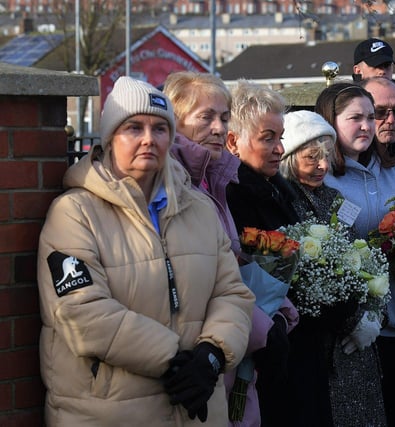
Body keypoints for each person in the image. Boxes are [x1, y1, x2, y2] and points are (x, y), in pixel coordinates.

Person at [37, 76, 254, 426]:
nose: (148, 139)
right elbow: (82, 312)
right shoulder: (74, 213)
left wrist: (213, 354)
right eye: (133, 128)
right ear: (110, 137)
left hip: (196, 409)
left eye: (159, 128)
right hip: (108, 412)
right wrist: (173, 358)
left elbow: (233, 292)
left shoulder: (198, 208)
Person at [163, 71, 296, 427]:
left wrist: (279, 312)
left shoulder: (216, 178)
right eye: (205, 117)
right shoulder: (173, 186)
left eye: (224, 117)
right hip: (200, 358)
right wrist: (264, 328)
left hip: (231, 351)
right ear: (174, 120)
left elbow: (235, 264)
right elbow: (199, 281)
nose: (219, 128)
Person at [317, 82, 395, 427]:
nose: (368, 126)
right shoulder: (321, 180)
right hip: (354, 330)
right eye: (356, 118)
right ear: (329, 122)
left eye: (371, 116)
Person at [279, 109, 387, 426]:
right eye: (311, 158)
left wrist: (374, 311)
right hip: (318, 340)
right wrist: (351, 318)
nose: (323, 166)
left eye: (326, 156)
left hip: (355, 348)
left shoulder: (334, 197)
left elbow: (363, 257)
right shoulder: (286, 201)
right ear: (289, 156)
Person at [225, 79, 301, 427]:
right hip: (255, 344)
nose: (280, 148)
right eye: (267, 138)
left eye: (280, 137)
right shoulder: (233, 195)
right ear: (233, 142)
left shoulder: (277, 188)